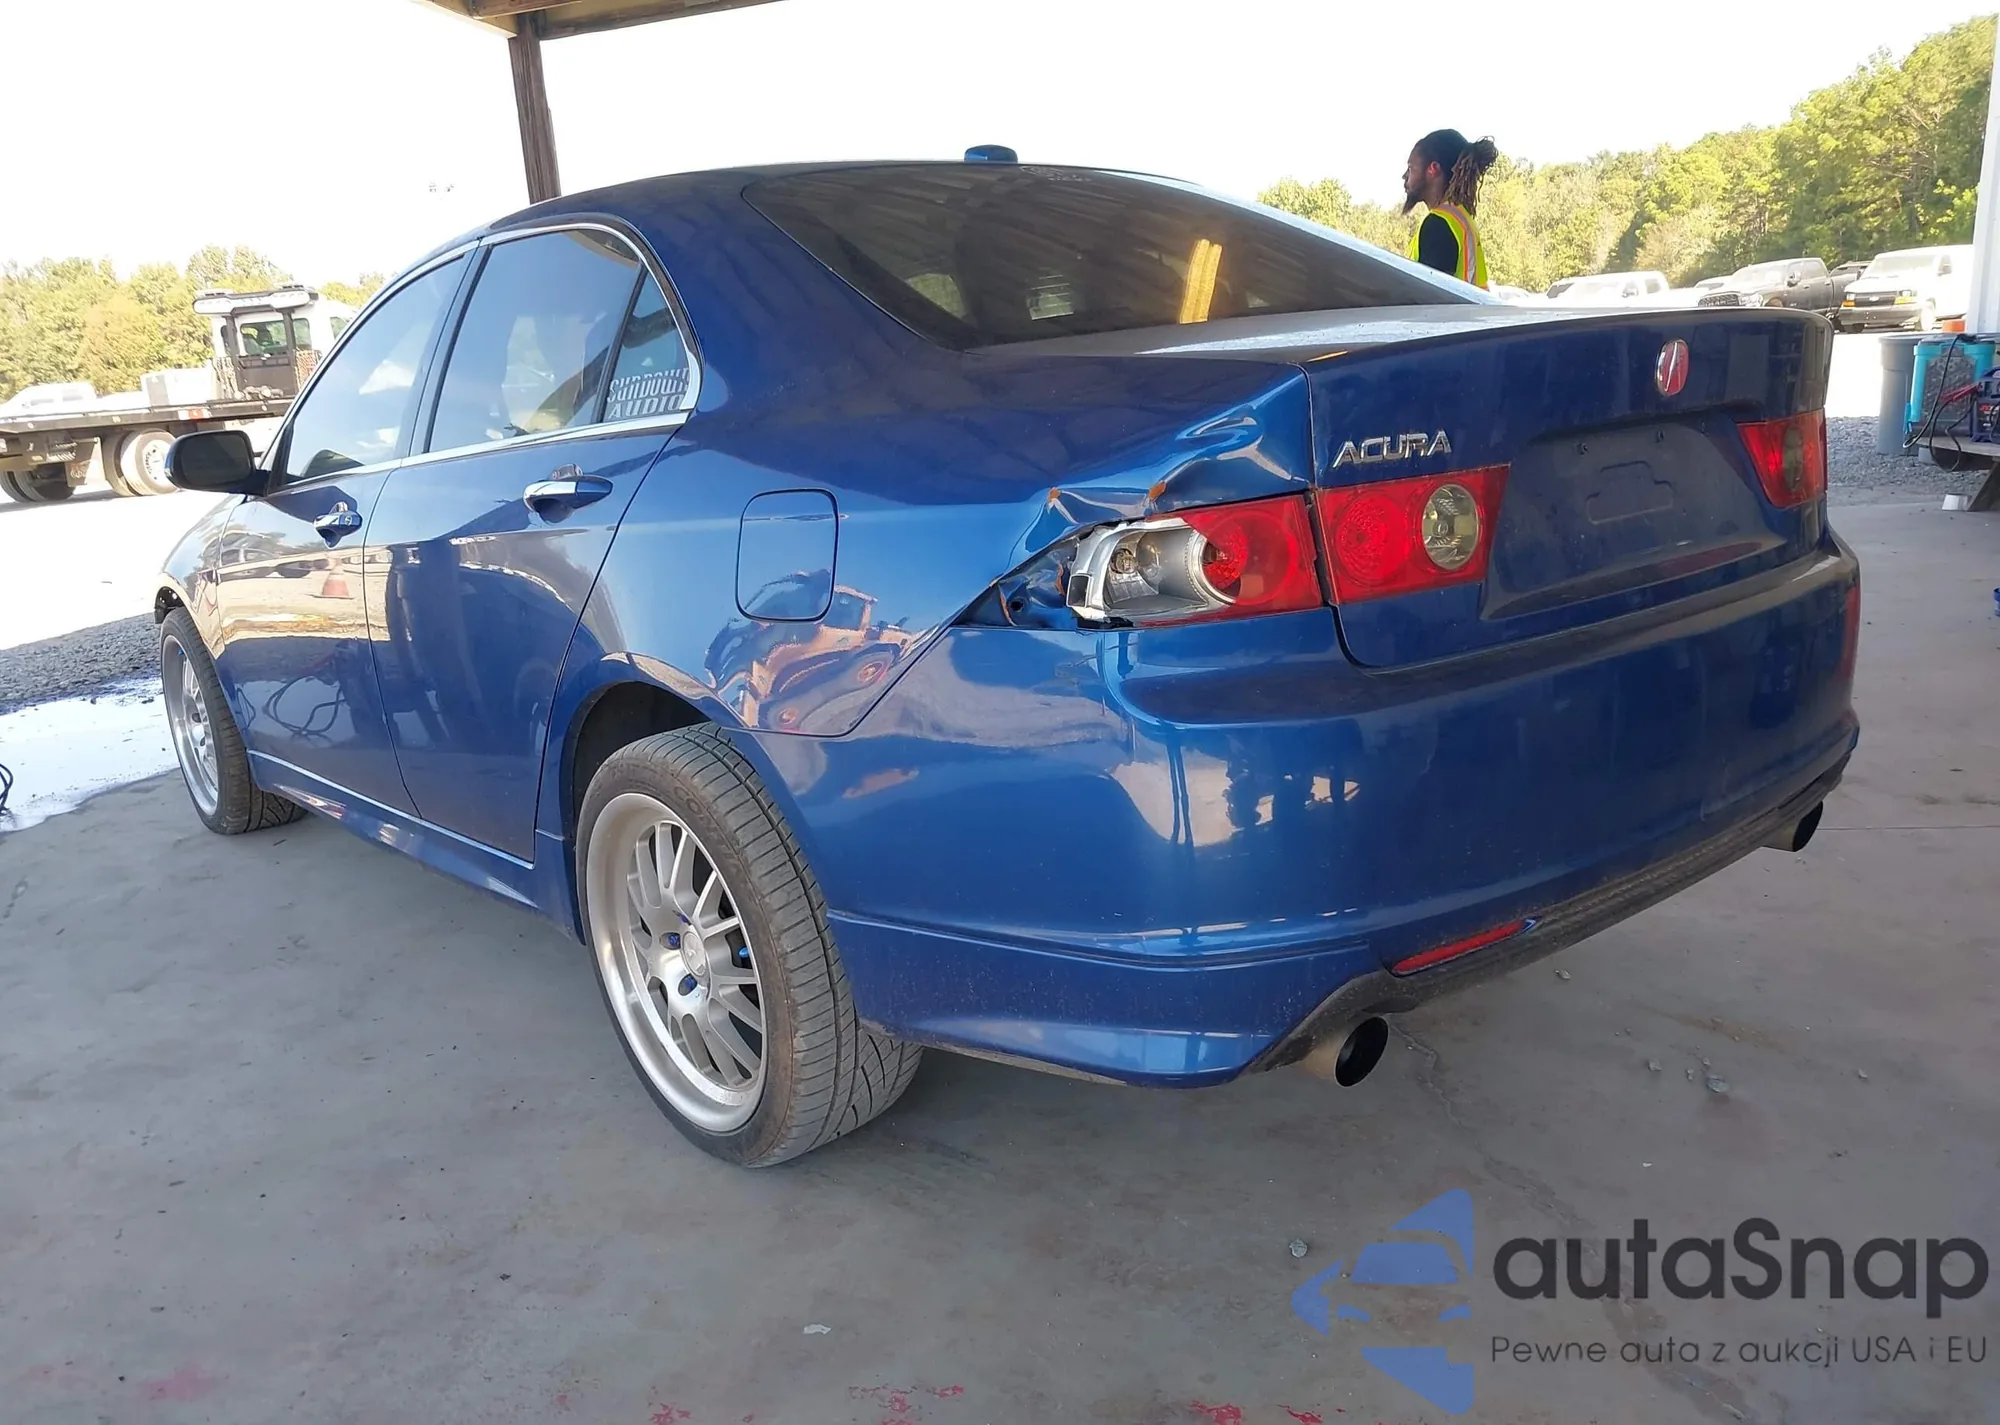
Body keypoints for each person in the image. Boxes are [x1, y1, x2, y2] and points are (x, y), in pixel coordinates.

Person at [1402, 130, 1498, 289]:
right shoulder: (1460, 218)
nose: (1405, 176)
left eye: (1411, 168)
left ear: (1433, 169)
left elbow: (1428, 297)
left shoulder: (1438, 225)